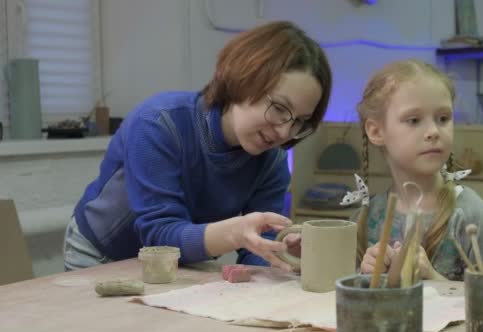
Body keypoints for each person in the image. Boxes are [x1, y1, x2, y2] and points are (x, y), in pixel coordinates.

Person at [63, 21, 332, 271]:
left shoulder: (271, 160)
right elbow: (159, 236)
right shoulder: (159, 123)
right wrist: (234, 232)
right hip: (103, 254)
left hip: (179, 262)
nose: (285, 131)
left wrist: (281, 253)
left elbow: (259, 248)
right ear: (244, 79)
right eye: (279, 109)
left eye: (300, 121)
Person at [354, 59, 483, 281]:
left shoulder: (469, 214)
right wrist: (366, 274)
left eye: (443, 118)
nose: (433, 131)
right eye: (414, 120)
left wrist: (432, 278)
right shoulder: (366, 219)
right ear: (376, 131)